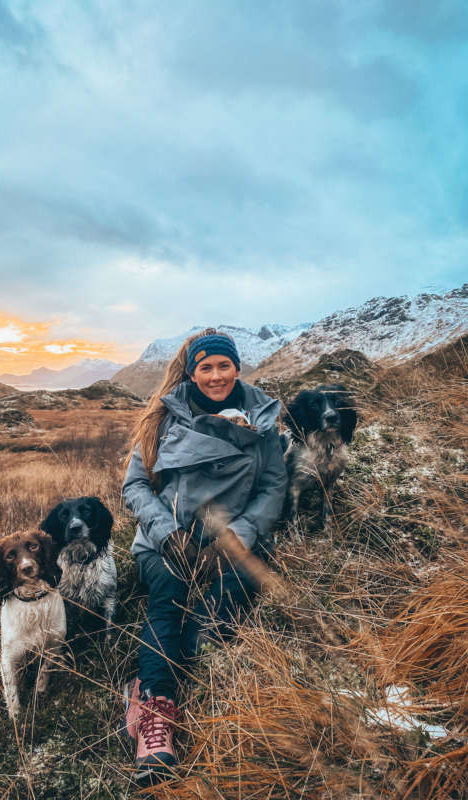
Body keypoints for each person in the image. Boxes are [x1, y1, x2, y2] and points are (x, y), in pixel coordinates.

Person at [121, 328, 288, 786]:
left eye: (224, 366)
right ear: (192, 373)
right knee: (168, 594)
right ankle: (153, 713)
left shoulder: (262, 418)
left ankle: (189, 646)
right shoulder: (165, 417)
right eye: (206, 368)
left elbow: (273, 486)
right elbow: (134, 486)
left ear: (238, 368)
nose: (216, 376)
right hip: (169, 539)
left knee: (204, 637)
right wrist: (168, 533)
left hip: (232, 541)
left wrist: (236, 537)